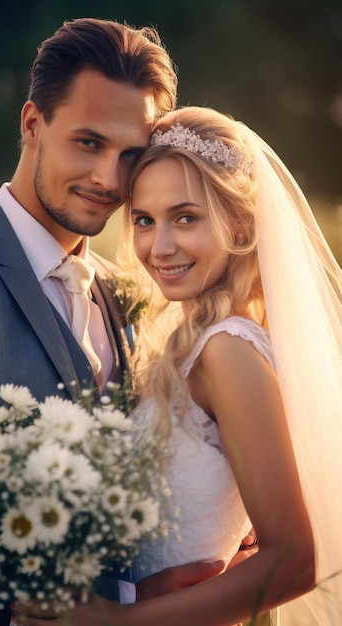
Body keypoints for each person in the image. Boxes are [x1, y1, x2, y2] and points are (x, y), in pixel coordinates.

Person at [0, 16, 183, 626]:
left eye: (131, 155)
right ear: (33, 123)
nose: (108, 179)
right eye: (89, 143)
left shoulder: (124, 291)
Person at [66, 106, 342, 626]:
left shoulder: (228, 351)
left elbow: (295, 560)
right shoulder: (187, 340)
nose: (160, 246)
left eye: (186, 217)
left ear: (239, 222)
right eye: (145, 221)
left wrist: (117, 621)